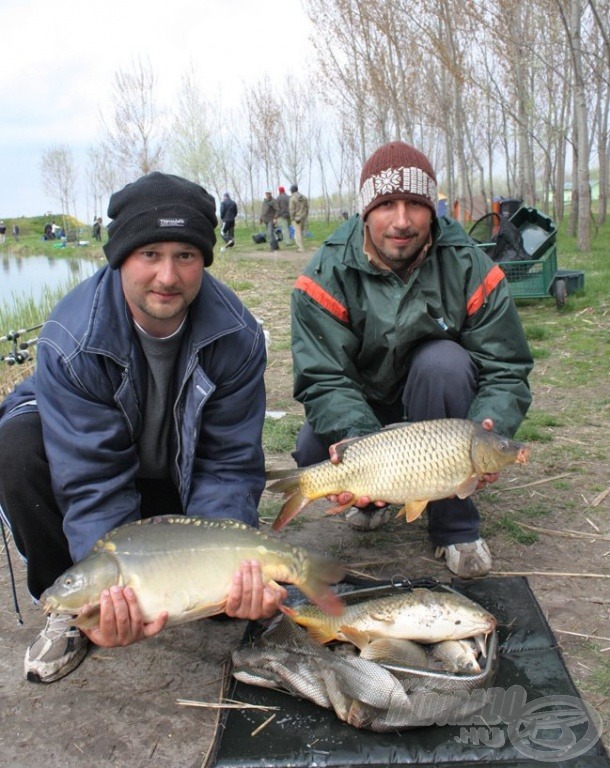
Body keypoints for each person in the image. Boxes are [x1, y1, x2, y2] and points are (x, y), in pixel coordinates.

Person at [0, 172, 286, 685]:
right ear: (120, 257)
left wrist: (223, 573)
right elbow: (91, 480)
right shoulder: (72, 339)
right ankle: (72, 613)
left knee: (230, 601)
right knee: (14, 448)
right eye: (149, 253)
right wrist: (111, 595)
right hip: (90, 467)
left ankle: (185, 582)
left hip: (179, 475)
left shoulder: (237, 336)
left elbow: (226, 465)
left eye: (186, 255)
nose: (168, 276)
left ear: (204, 260)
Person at [290, 141, 533, 579]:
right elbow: (324, 378)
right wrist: (358, 440)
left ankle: (455, 527)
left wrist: (487, 429)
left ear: (432, 209)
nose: (401, 221)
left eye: (415, 206)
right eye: (386, 205)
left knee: (443, 362)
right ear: (365, 210)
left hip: (438, 412)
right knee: (314, 450)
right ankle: (378, 497)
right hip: (366, 410)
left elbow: (507, 368)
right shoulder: (324, 274)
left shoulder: (468, 266)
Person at [289, 184, 309, 252]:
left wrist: (292, 218)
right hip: (303, 217)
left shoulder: (292, 198)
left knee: (298, 232)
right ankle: (301, 246)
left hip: (297, 218)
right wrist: (305, 215)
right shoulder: (304, 197)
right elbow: (307, 207)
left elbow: (292, 209)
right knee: (301, 232)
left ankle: (301, 248)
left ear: (291, 190)